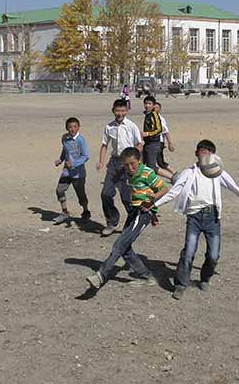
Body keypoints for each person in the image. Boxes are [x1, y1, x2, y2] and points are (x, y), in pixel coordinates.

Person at [155, 140, 239, 300]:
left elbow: (236, 189)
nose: (205, 155)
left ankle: (205, 277)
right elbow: (173, 192)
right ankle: (180, 284)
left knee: (213, 255)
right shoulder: (189, 173)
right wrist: (154, 206)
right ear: (196, 153)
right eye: (202, 152)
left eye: (209, 152)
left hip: (212, 218)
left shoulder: (217, 172)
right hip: (194, 217)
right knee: (188, 252)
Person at [85, 148, 169, 290]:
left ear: (139, 161)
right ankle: (146, 276)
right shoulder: (129, 174)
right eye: (126, 165)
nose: (130, 168)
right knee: (125, 247)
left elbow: (164, 189)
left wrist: (152, 205)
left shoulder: (147, 173)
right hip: (134, 212)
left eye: (133, 164)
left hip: (142, 213)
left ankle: (101, 275)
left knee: (119, 244)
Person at [97, 98, 144, 236]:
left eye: (123, 110)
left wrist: (134, 160)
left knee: (127, 197)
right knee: (105, 194)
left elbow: (139, 144)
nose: (120, 113)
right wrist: (101, 161)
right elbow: (104, 145)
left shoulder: (131, 126)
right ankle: (112, 221)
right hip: (114, 163)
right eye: (117, 110)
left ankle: (133, 223)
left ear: (127, 111)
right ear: (113, 111)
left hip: (128, 164)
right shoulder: (109, 127)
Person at [54, 117, 90, 225]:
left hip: (78, 174)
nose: (72, 129)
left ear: (78, 127)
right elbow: (65, 150)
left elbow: (86, 156)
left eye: (74, 127)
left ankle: (86, 211)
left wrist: (74, 163)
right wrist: (61, 159)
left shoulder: (81, 140)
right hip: (67, 172)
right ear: (66, 128)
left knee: (80, 194)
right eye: (70, 127)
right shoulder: (64, 138)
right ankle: (65, 211)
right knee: (59, 190)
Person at [141, 96, 174, 180]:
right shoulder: (147, 114)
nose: (147, 105)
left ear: (153, 105)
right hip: (148, 143)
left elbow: (160, 130)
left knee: (155, 165)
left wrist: (147, 133)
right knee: (143, 163)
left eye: (149, 104)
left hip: (155, 143)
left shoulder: (155, 115)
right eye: (146, 103)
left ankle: (173, 177)